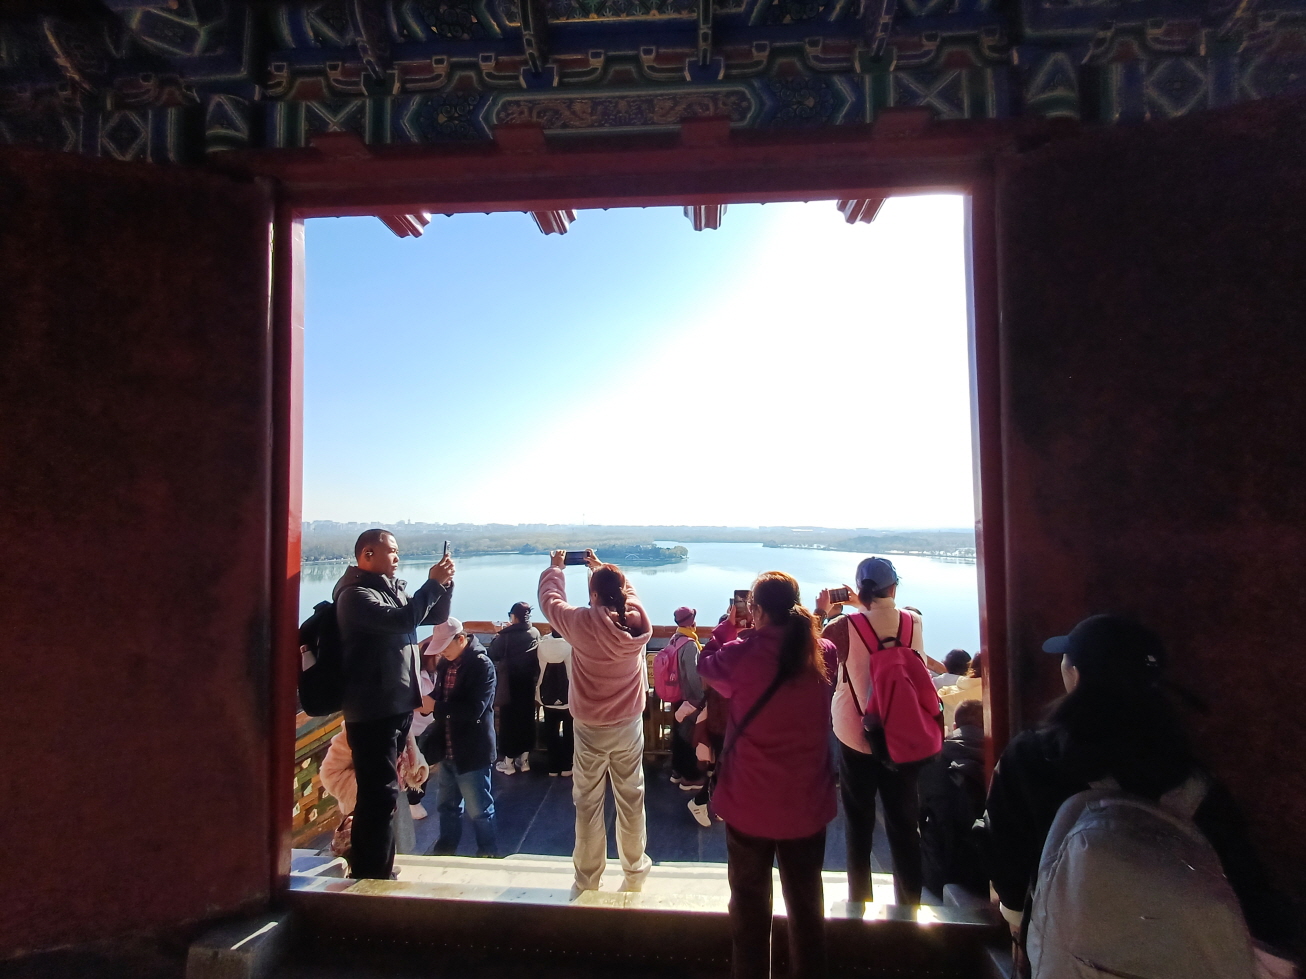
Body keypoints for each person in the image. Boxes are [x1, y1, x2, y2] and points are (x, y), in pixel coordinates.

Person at [981, 614, 1296, 974]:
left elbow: (1005, 856)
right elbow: (1246, 886)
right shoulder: (1190, 775)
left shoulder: (1033, 758)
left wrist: (1020, 927)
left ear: (1076, 675)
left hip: (1071, 957)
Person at [697, 572, 837, 979]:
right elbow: (816, 642)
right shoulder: (822, 652)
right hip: (806, 803)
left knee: (748, 908)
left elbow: (707, 666)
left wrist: (729, 628)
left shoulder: (741, 653)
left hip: (749, 802)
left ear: (755, 609)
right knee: (807, 907)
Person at [333, 529, 454, 880]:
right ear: (367, 554)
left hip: (394, 706)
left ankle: (378, 866)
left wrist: (445, 585)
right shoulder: (355, 595)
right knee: (379, 794)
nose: (397, 557)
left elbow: (432, 616)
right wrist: (432, 583)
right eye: (392, 551)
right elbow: (402, 620)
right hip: (372, 710)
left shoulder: (389, 590)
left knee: (386, 793)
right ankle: (370, 873)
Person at [815, 555, 929, 907]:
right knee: (904, 822)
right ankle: (909, 903)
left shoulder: (844, 627)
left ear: (860, 588)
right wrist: (861, 603)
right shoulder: (913, 622)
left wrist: (823, 611)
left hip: (856, 732)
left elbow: (810, 650)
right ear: (894, 587)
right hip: (903, 733)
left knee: (858, 819)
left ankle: (859, 900)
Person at [538, 549, 653, 893]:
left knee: (587, 803)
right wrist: (601, 567)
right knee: (631, 798)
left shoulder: (580, 623)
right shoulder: (637, 621)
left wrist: (556, 567)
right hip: (628, 724)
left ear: (593, 594)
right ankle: (635, 874)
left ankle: (587, 880)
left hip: (589, 727)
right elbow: (628, 592)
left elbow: (550, 600)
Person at [426, 621, 499, 857]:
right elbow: (441, 696)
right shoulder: (445, 664)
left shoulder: (482, 665)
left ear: (461, 639)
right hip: (448, 749)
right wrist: (425, 701)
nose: (442, 652)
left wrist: (435, 707)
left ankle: (487, 852)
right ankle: (445, 850)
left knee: (479, 810)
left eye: (445, 646)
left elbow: (474, 710)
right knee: (447, 806)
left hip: (472, 751)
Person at [918, 699, 986, 899]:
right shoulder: (1000, 754)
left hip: (941, 871)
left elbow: (919, 814)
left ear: (955, 727)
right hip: (988, 873)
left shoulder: (933, 761)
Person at [489, 602, 541, 775]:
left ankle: (509, 763)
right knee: (526, 720)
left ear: (514, 616)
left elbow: (493, 653)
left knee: (508, 722)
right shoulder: (535, 633)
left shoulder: (505, 637)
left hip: (509, 685)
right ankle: (524, 761)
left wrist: (497, 634)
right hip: (528, 684)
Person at [667, 605, 706, 792]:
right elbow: (693, 676)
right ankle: (689, 778)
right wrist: (701, 699)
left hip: (676, 696)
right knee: (689, 738)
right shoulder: (690, 645)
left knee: (679, 735)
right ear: (691, 622)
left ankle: (677, 772)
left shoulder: (675, 639)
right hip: (689, 699)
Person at [536, 628, 575, 777]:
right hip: (568, 696)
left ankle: (553, 767)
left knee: (550, 732)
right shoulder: (572, 645)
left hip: (547, 696)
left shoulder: (542, 645)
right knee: (569, 732)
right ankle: (567, 766)